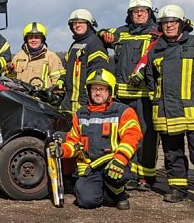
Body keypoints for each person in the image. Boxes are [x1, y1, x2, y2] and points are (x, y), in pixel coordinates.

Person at [145, 4, 194, 209]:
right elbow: (150, 79)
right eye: (165, 23)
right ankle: (177, 188)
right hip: (167, 112)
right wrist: (156, 100)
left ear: (182, 24)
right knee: (172, 154)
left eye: (173, 22)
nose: (169, 26)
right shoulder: (157, 49)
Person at [54, 69, 143, 209]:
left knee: (118, 174)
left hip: (114, 163)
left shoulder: (124, 112)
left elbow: (132, 137)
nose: (97, 93)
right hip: (90, 168)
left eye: (102, 89)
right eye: (94, 88)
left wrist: (120, 159)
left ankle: (118, 192)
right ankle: (107, 192)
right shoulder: (80, 114)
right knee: (86, 201)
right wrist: (62, 150)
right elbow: (74, 143)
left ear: (110, 91)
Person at [99, 0, 161, 191]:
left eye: (143, 11)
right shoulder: (122, 33)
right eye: (136, 11)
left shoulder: (156, 34)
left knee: (147, 136)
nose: (140, 13)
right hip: (122, 96)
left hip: (144, 95)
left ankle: (146, 177)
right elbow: (102, 34)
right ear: (130, 15)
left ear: (150, 13)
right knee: (123, 135)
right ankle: (129, 174)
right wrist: (103, 33)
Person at [61, 9, 109, 114]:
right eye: (74, 23)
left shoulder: (95, 44)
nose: (77, 25)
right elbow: (66, 67)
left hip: (85, 100)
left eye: (81, 22)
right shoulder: (75, 45)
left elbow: (97, 73)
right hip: (70, 99)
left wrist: (87, 98)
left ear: (89, 24)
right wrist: (61, 80)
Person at [7, 22, 64, 89]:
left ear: (42, 39)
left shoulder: (51, 57)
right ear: (26, 39)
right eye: (30, 37)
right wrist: (10, 71)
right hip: (21, 97)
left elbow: (56, 80)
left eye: (37, 37)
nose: (33, 40)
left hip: (41, 98)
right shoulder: (18, 57)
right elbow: (11, 79)